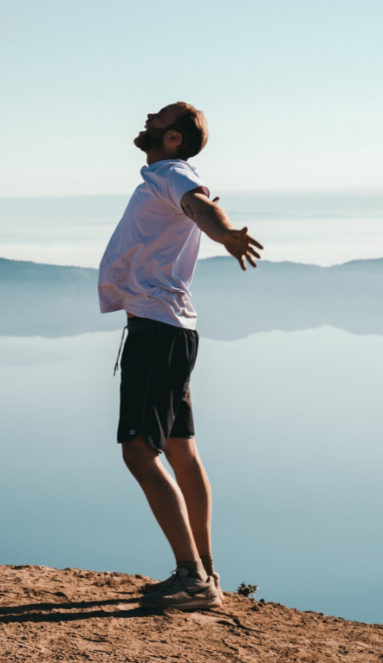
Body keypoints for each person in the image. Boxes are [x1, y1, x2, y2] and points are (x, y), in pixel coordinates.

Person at [98, 102, 262, 611]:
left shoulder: (173, 173)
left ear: (173, 139)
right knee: (179, 448)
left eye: (159, 117)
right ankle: (205, 570)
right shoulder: (164, 174)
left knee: (138, 451)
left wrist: (224, 233)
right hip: (169, 328)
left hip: (156, 329)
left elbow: (201, 205)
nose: (148, 117)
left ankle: (192, 580)